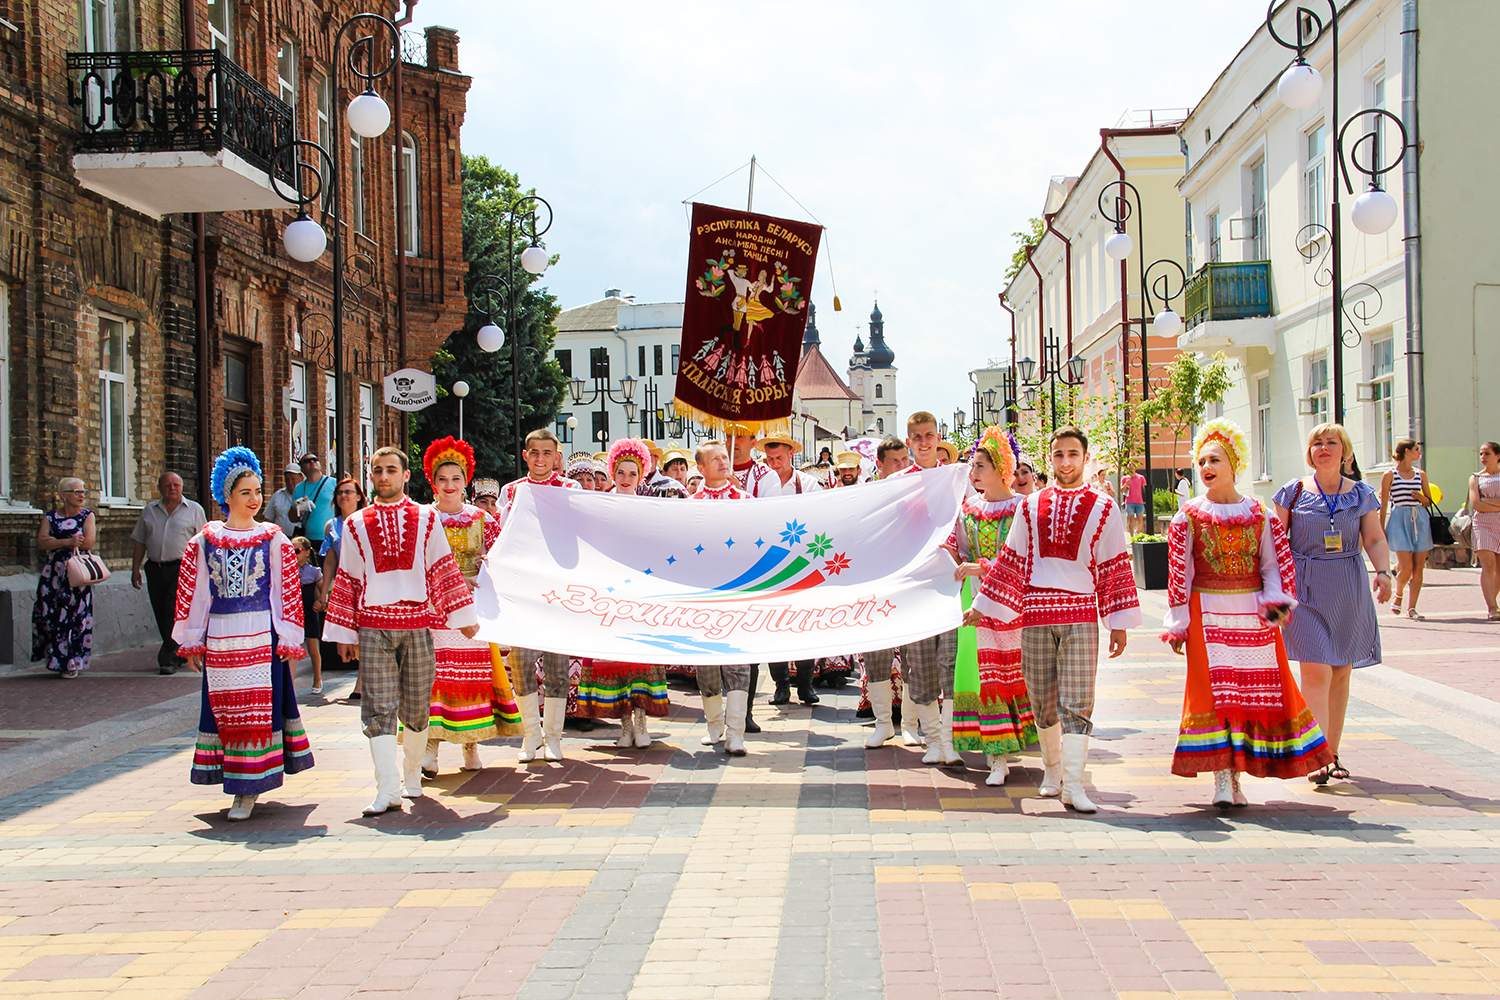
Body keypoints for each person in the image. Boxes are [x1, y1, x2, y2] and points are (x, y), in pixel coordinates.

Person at [968, 426, 1141, 813]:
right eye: (1058, 455)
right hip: (1036, 614)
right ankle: (1052, 771)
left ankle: (1074, 785)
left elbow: (1114, 565)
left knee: (1078, 700)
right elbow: (1011, 561)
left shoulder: (1104, 507)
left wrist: (1118, 622)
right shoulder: (1030, 506)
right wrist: (982, 604)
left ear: (1085, 458)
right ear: (1051, 458)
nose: (1065, 462)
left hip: (1081, 613)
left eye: (1072, 454)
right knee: (1043, 700)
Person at [1161, 420, 1334, 807]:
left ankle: (1237, 779)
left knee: (1252, 696)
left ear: (1233, 463)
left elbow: (1274, 564)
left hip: (1252, 617)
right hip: (1207, 615)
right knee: (1218, 696)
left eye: (1215, 459)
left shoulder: (1259, 514)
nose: (1206, 466)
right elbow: (1179, 573)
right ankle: (1223, 779)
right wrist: (1178, 622)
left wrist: (1275, 602)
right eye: (1202, 460)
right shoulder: (1187, 516)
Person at [323, 446, 479, 816]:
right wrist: (345, 635)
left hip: (417, 623)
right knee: (376, 706)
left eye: (391, 469)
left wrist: (464, 616)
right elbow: (348, 577)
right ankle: (386, 787)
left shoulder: (426, 518)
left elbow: (442, 567)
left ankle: (411, 776)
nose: (383, 476)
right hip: (374, 625)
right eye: (377, 470)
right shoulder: (356, 523)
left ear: (405, 475)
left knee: (417, 704)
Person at [172, 447, 313, 822]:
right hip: (221, 637)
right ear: (228, 497)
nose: (254, 500)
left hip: (259, 636)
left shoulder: (273, 539)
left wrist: (289, 637)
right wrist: (192, 638)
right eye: (246, 493)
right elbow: (196, 591)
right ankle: (237, 781)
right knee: (227, 708)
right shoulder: (206, 541)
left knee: (256, 710)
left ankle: (248, 789)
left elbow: (285, 591)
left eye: (257, 491)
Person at [1273, 422, 1391, 785]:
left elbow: (1373, 538)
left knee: (1341, 671)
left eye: (1331, 442)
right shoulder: (1291, 493)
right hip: (1304, 589)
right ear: (1310, 452)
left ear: (1346, 452)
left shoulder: (1362, 495)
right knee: (1316, 670)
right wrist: (1272, 591)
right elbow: (1275, 543)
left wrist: (1384, 572)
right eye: (1316, 443)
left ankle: (1332, 753)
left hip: (1347, 587)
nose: (1323, 448)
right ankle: (1316, 754)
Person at [421, 436, 519, 779]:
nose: (449, 486)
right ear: (432, 483)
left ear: (466, 483)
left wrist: (485, 566)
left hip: (471, 612)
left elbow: (499, 562)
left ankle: (471, 743)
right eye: (443, 479)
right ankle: (430, 747)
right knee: (434, 677)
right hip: (433, 611)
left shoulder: (482, 519)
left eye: (456, 479)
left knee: (471, 678)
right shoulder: (423, 520)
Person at [946, 426, 1033, 786]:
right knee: (982, 673)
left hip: (1013, 602)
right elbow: (956, 549)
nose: (974, 472)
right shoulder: (969, 509)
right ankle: (996, 755)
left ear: (1000, 467)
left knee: (1016, 669)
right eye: (973, 465)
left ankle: (1018, 744)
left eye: (980, 465)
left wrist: (982, 566)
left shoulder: (1022, 508)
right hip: (975, 598)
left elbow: (1027, 558)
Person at [575, 439, 674, 748]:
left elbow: (659, 545)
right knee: (614, 659)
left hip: (640, 591)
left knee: (639, 656)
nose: (626, 478)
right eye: (621, 472)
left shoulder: (650, 507)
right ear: (613, 473)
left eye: (633, 472)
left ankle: (642, 723)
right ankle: (625, 726)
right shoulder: (599, 506)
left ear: (641, 474)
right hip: (609, 590)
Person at [499, 428, 580, 762]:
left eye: (547, 453)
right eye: (534, 453)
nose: (541, 459)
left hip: (559, 588)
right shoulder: (512, 491)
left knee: (558, 666)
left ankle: (554, 737)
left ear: (557, 457)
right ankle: (531, 736)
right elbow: (505, 536)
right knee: (521, 663)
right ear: (525, 455)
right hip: (523, 589)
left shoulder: (570, 489)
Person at [688, 440, 756, 755]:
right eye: (714, 459)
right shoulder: (690, 504)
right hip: (702, 596)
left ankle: (736, 732)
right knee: (706, 665)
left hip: (736, 595)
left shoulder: (744, 501)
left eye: (725, 457)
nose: (723, 462)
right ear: (700, 468)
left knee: (738, 664)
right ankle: (714, 725)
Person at [130, 472, 207, 674]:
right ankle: (178, 650)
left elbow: (204, 542)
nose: (171, 488)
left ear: (181, 487)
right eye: (167, 485)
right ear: (160, 488)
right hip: (155, 567)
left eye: (176, 485)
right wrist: (135, 568)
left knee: (172, 610)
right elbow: (140, 540)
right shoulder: (149, 511)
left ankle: (169, 658)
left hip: (181, 568)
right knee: (160, 612)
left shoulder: (194, 510)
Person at [32, 478, 96, 678]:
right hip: (53, 574)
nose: (81, 495)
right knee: (48, 614)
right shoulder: (50, 517)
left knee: (74, 616)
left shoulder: (87, 516)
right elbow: (42, 543)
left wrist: (56, 542)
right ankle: (54, 657)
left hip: (76, 573)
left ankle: (70, 662)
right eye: (76, 491)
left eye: (83, 491)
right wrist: (68, 541)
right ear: (63, 495)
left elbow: (88, 542)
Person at [315, 477, 367, 700]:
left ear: (358, 496)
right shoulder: (332, 525)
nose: (344, 496)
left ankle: (361, 683)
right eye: (340, 493)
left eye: (348, 492)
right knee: (350, 634)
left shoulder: (368, 520)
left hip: (365, 584)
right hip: (343, 586)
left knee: (365, 633)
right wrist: (325, 591)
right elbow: (330, 560)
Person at [1380, 439, 1434, 620]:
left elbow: (1429, 501)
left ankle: (1412, 608)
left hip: (1419, 520)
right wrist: (1380, 528)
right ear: (1407, 452)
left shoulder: (1421, 474)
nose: (1419, 453)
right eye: (1416, 450)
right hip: (1399, 519)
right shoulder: (1390, 474)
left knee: (1419, 567)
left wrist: (1420, 497)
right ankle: (1399, 593)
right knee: (1407, 566)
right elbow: (1384, 503)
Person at [1469, 442, 1500, 620]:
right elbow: (1476, 504)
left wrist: (1487, 502)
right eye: (1481, 454)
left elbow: (1483, 502)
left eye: (1487, 454)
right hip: (1483, 524)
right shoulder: (1475, 478)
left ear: (1497, 456)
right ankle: (1492, 607)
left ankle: (1493, 600)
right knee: (1488, 565)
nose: (1483, 457)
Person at [291, 536, 323, 693]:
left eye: (296, 550)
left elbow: (324, 591)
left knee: (313, 649)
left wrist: (321, 602)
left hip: (309, 613)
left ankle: (317, 679)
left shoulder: (314, 572)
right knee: (292, 649)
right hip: (293, 613)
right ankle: (290, 683)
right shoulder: (287, 570)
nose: (293, 553)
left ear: (306, 553)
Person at [292, 454, 337, 545]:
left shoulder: (334, 483)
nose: (312, 462)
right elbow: (292, 518)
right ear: (302, 469)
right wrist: (299, 512)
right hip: (309, 539)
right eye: (307, 461)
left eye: (314, 459)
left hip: (331, 536)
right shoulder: (299, 488)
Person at [265, 464, 303, 537]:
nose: (289, 482)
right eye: (287, 479)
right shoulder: (278, 495)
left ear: (301, 478)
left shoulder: (307, 494)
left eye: (293, 479)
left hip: (301, 540)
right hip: (281, 538)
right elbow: (268, 519)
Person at [1121, 466, 1147, 535]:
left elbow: (1145, 488)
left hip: (1139, 501)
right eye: (1129, 469)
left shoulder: (1140, 477)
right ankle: (1132, 536)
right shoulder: (1125, 478)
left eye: (1132, 468)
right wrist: (1126, 483)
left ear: (1135, 468)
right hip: (1129, 502)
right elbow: (1122, 490)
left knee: (1140, 519)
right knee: (1131, 520)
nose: (1131, 470)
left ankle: (1137, 532)